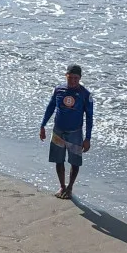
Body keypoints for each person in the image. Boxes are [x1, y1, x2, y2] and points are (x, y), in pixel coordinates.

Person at [39, 64, 94, 200]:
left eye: (76, 78)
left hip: (75, 133)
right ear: (66, 76)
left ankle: (70, 187)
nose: (73, 80)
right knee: (59, 160)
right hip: (58, 131)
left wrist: (87, 138)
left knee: (75, 162)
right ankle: (62, 186)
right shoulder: (59, 90)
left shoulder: (85, 94)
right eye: (71, 77)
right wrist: (42, 125)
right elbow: (50, 107)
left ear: (80, 78)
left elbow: (89, 117)